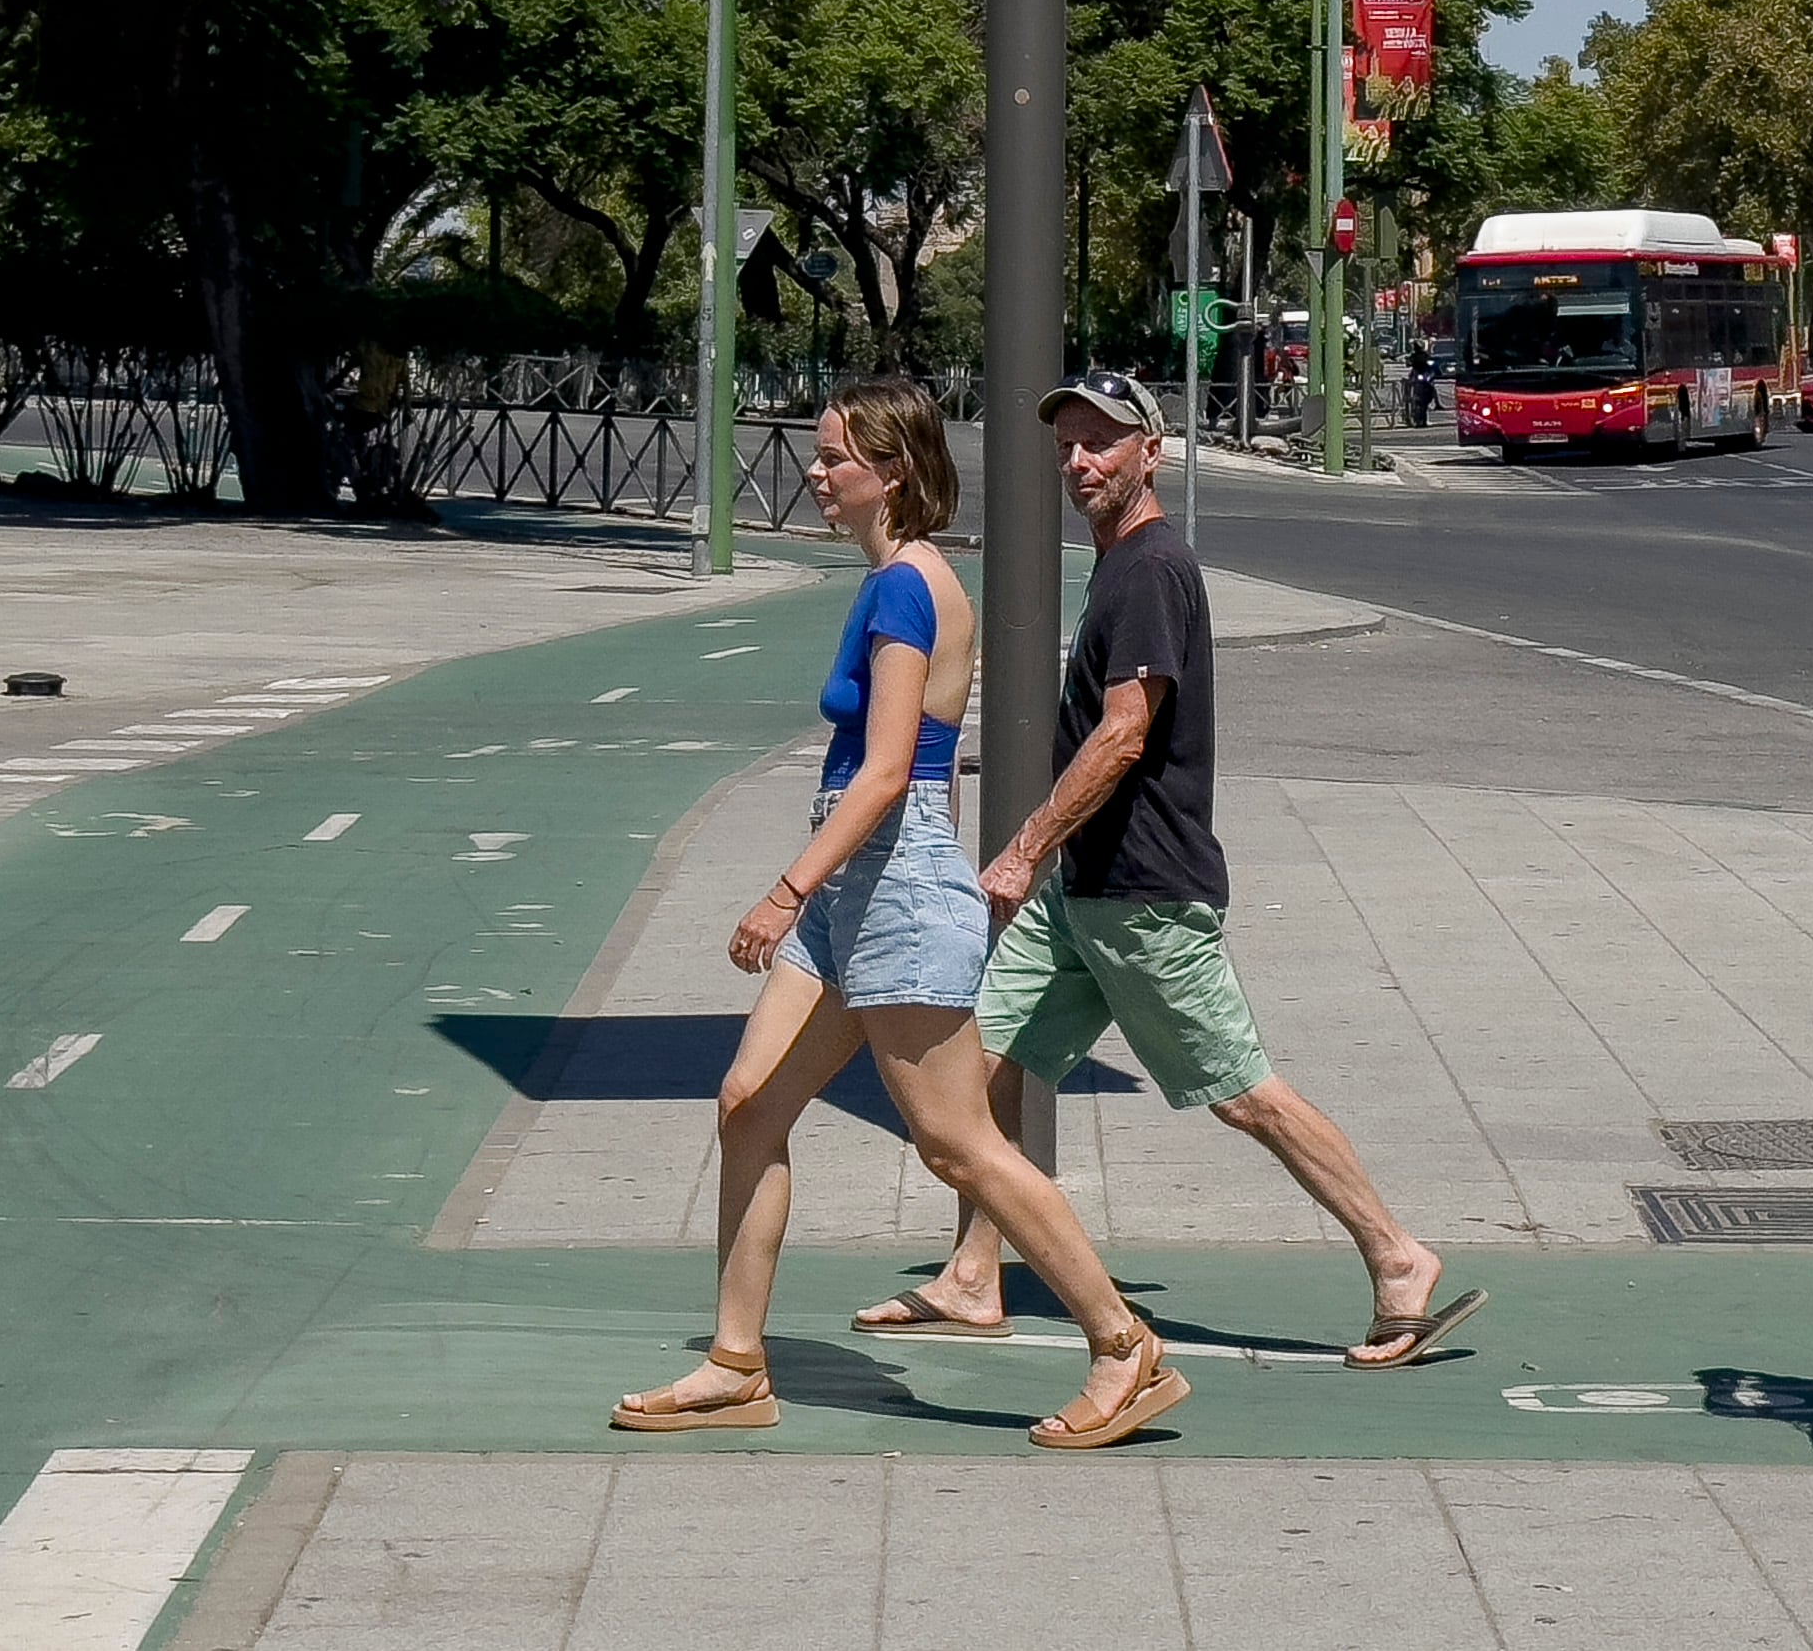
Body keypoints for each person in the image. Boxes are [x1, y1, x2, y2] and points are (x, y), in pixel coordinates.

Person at [855, 369, 1485, 1369]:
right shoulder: (1121, 563)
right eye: (1067, 442)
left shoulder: (1149, 568)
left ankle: (1397, 1253)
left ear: (1153, 451)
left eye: (1102, 440)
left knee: (1242, 1090)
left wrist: (1023, 848)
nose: (1079, 460)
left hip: (1144, 892)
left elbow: (1124, 732)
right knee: (985, 1067)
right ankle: (975, 1273)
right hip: (1086, 893)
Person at [609, 375, 1186, 1450]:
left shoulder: (909, 589)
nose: (816, 471)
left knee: (957, 1143)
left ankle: (1123, 1345)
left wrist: (783, 892)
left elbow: (885, 776)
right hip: (856, 883)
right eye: (820, 454)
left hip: (892, 881)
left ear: (894, 472)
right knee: (749, 1104)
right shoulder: (899, 581)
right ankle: (736, 1364)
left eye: (835, 456)